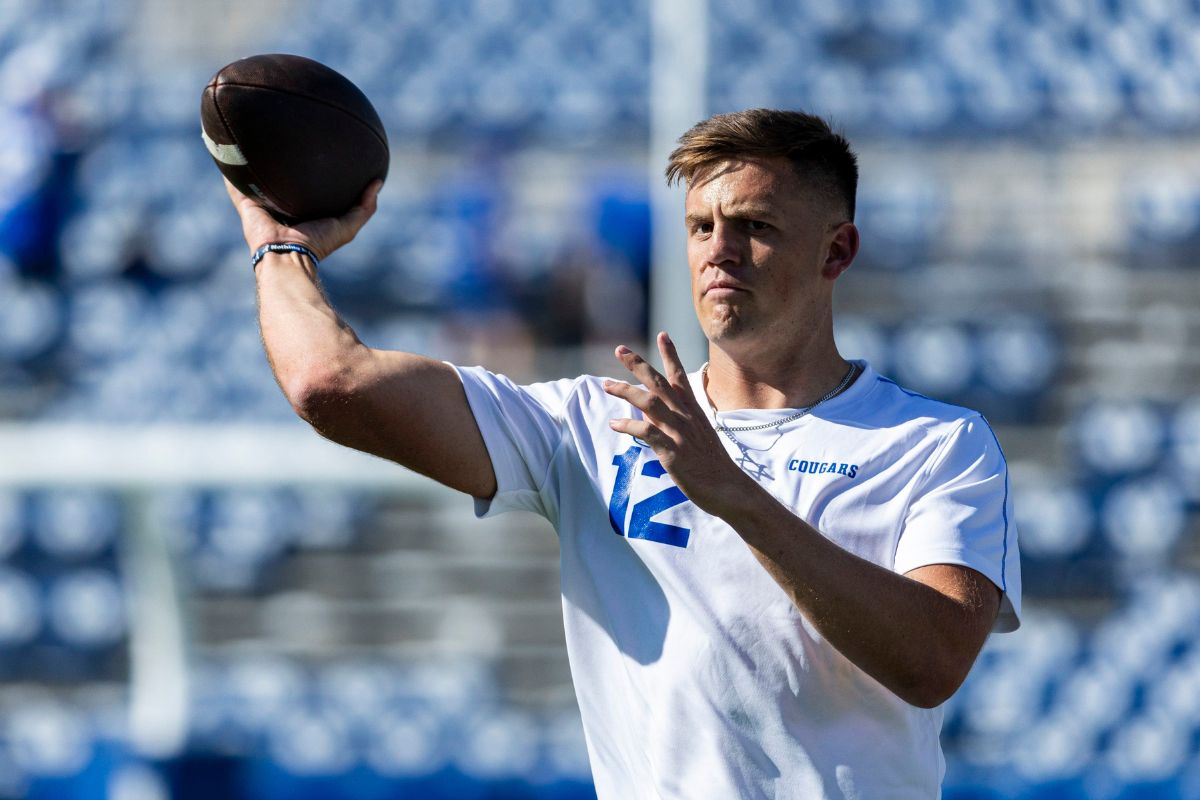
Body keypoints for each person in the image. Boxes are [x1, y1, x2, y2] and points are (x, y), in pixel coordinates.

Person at [225, 108, 1021, 799]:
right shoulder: (592, 423)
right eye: (702, 226)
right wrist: (278, 245)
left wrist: (734, 494)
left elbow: (931, 660)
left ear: (836, 251)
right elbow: (330, 383)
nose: (720, 250)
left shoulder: (936, 445)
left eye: (756, 226)